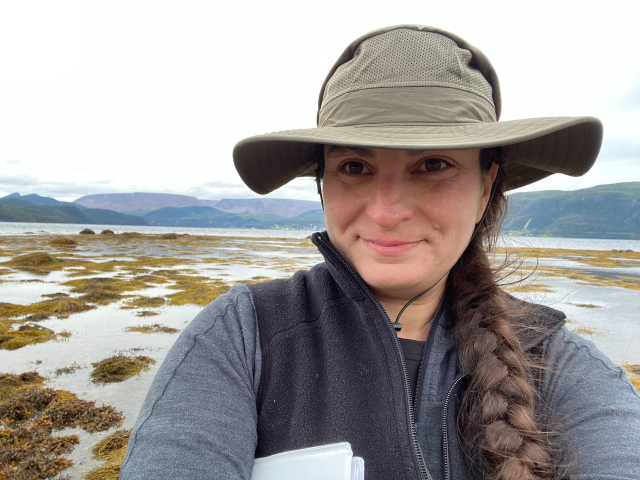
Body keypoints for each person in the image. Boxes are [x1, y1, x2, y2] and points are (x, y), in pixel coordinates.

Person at [120, 25, 640, 480]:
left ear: (486, 188)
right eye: (354, 167)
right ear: (323, 184)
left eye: (433, 164)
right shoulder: (239, 337)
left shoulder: (560, 365)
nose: (387, 211)